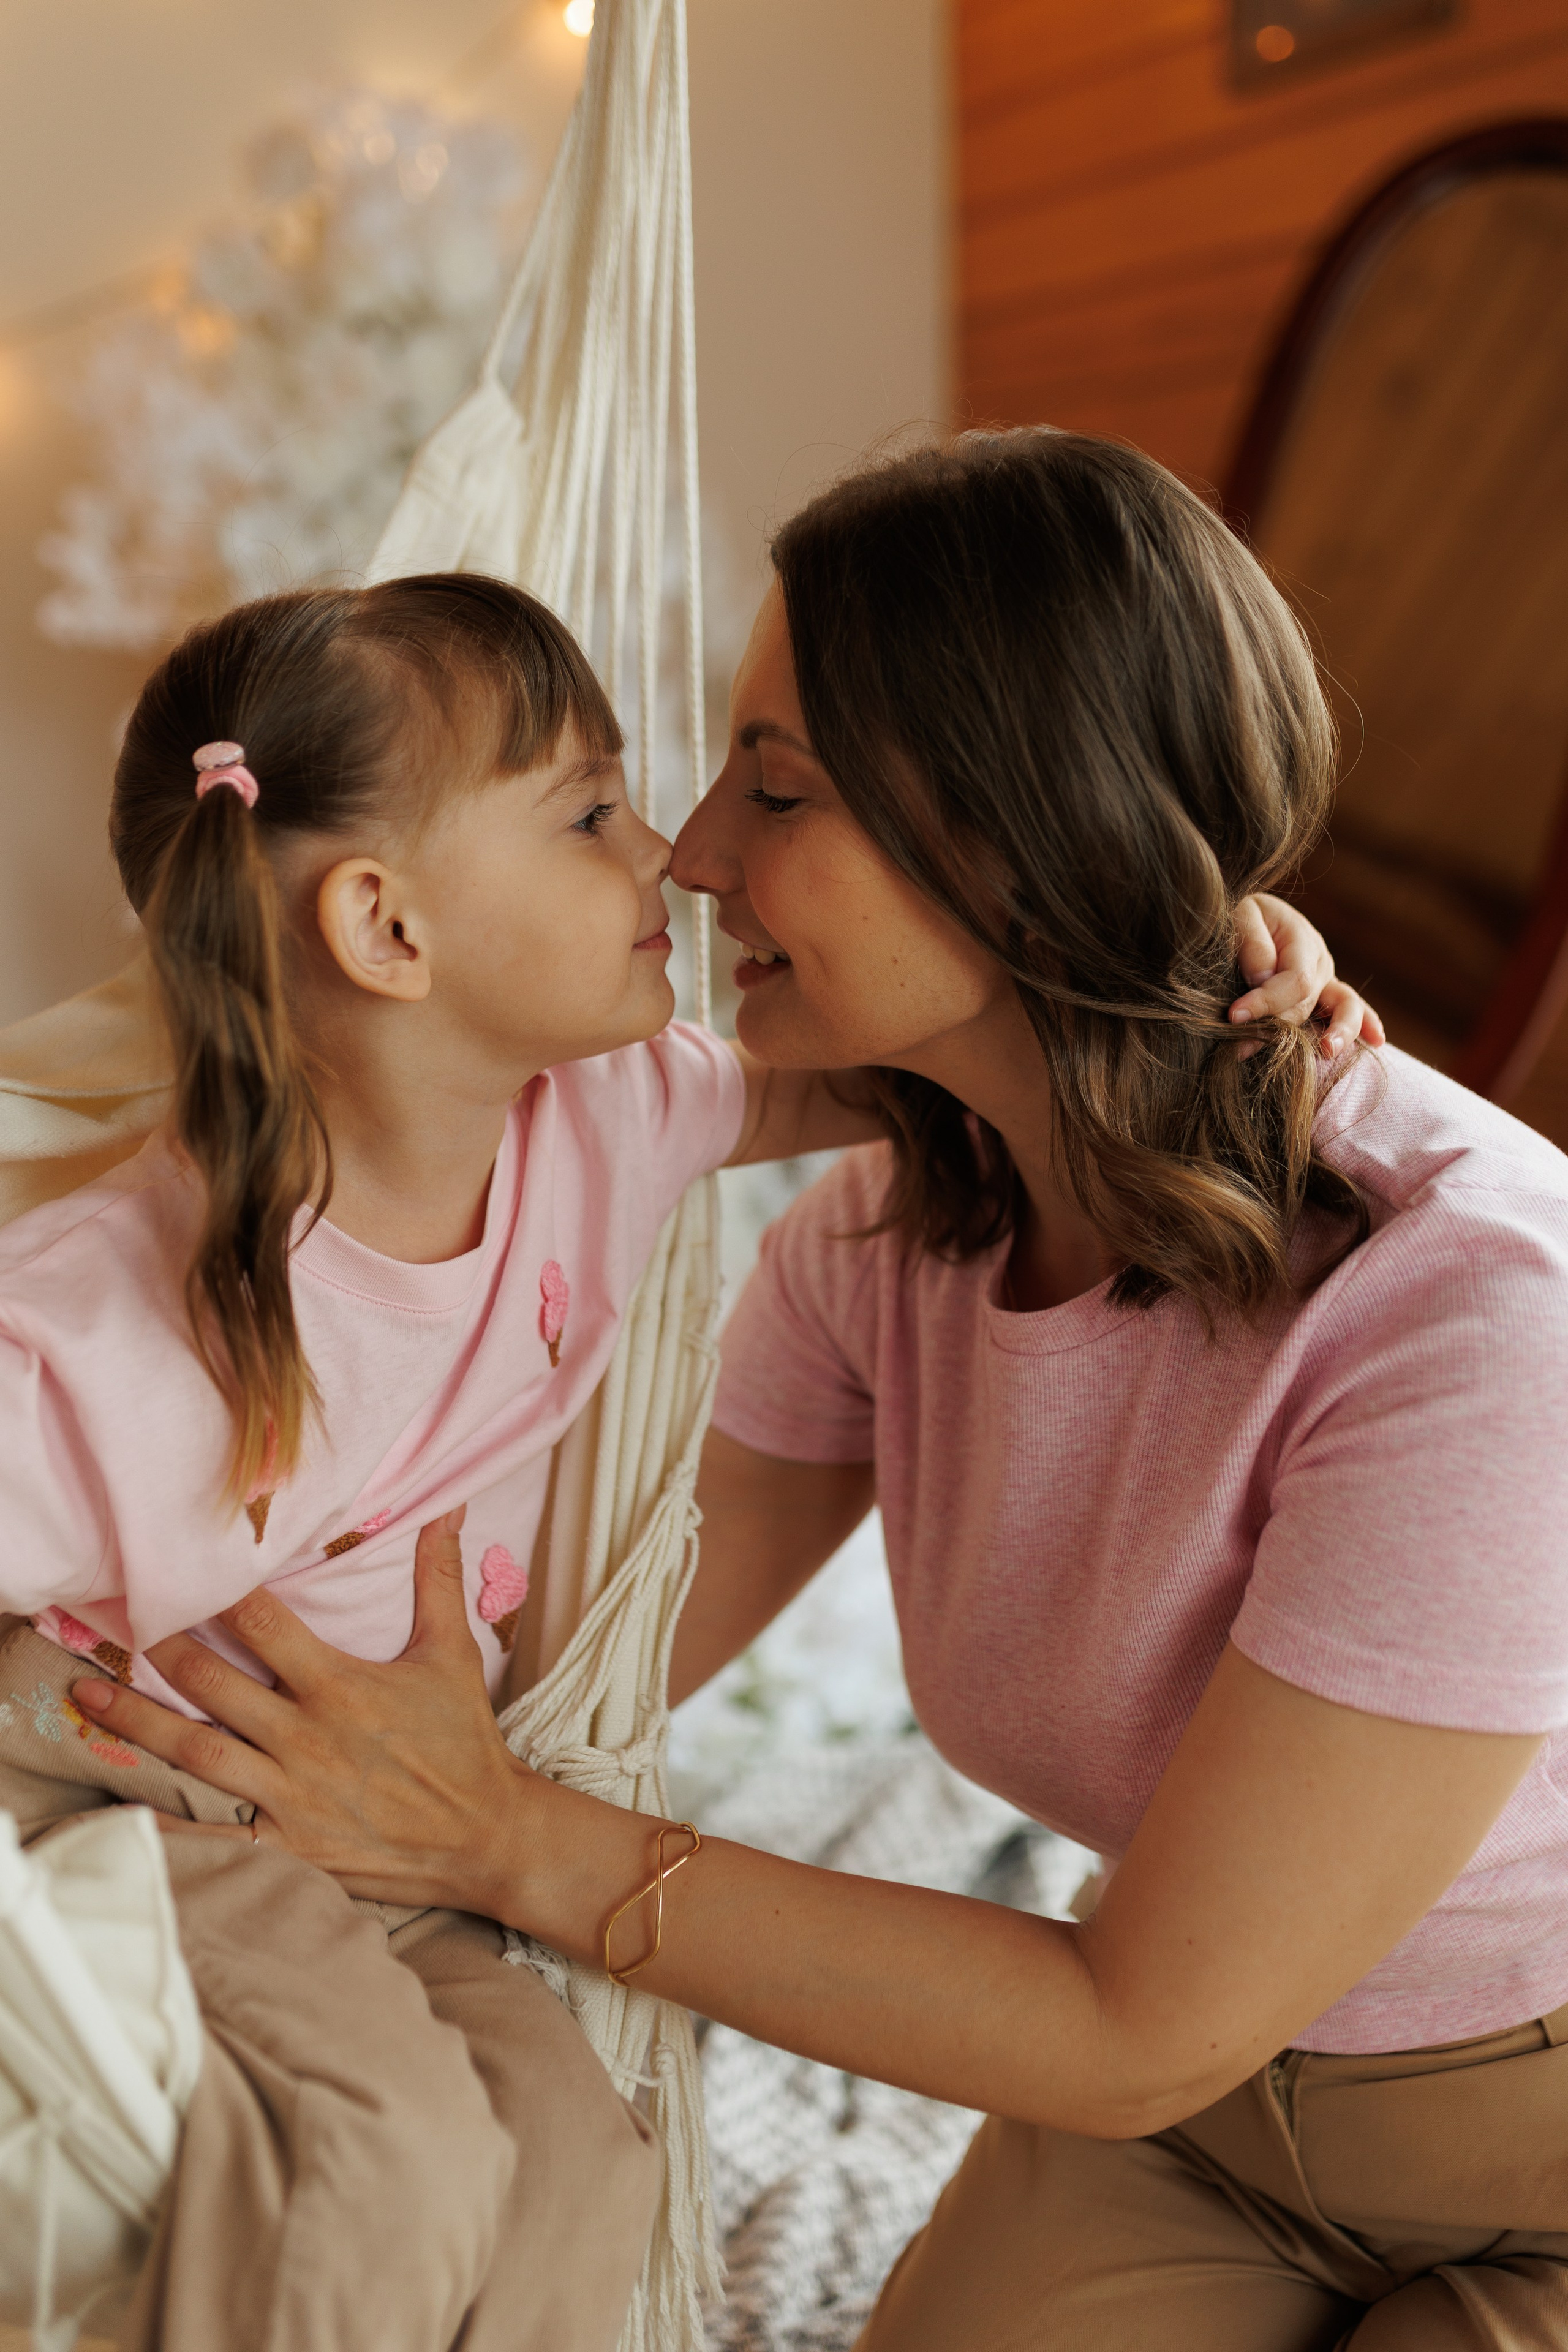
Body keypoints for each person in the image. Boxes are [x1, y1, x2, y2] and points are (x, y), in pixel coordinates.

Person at [85, 432, 1565, 2352]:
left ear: (1032, 849)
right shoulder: (890, 1237)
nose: (694, 852)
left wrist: (511, 1847)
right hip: (1199, 2135)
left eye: (774, 787)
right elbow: (565, 1666)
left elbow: (1128, 2023)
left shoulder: (1476, 1316)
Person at [0, 571, 894, 2352]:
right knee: (389, 2163)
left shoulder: (613, 1116)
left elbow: (883, 1066)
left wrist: (1217, 981)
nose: (668, 855)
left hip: (390, 1830)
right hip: (144, 1805)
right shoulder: (123, 1328)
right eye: (588, 812)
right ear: (385, 929)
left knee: (586, 2164)